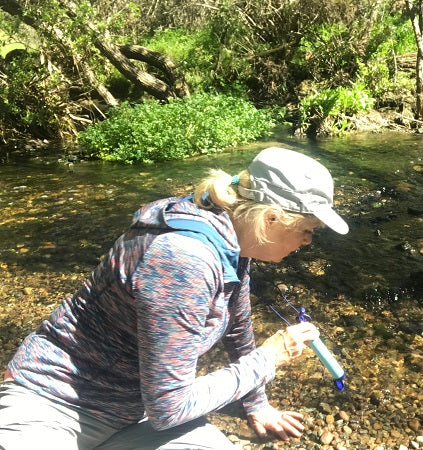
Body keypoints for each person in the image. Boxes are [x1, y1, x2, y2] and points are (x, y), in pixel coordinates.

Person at [0, 146, 348, 450]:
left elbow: (237, 328)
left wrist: (257, 405)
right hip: (52, 404)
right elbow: (170, 407)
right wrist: (269, 359)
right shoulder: (184, 258)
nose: (307, 243)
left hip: (134, 414)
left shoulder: (231, 237)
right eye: (307, 230)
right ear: (271, 218)